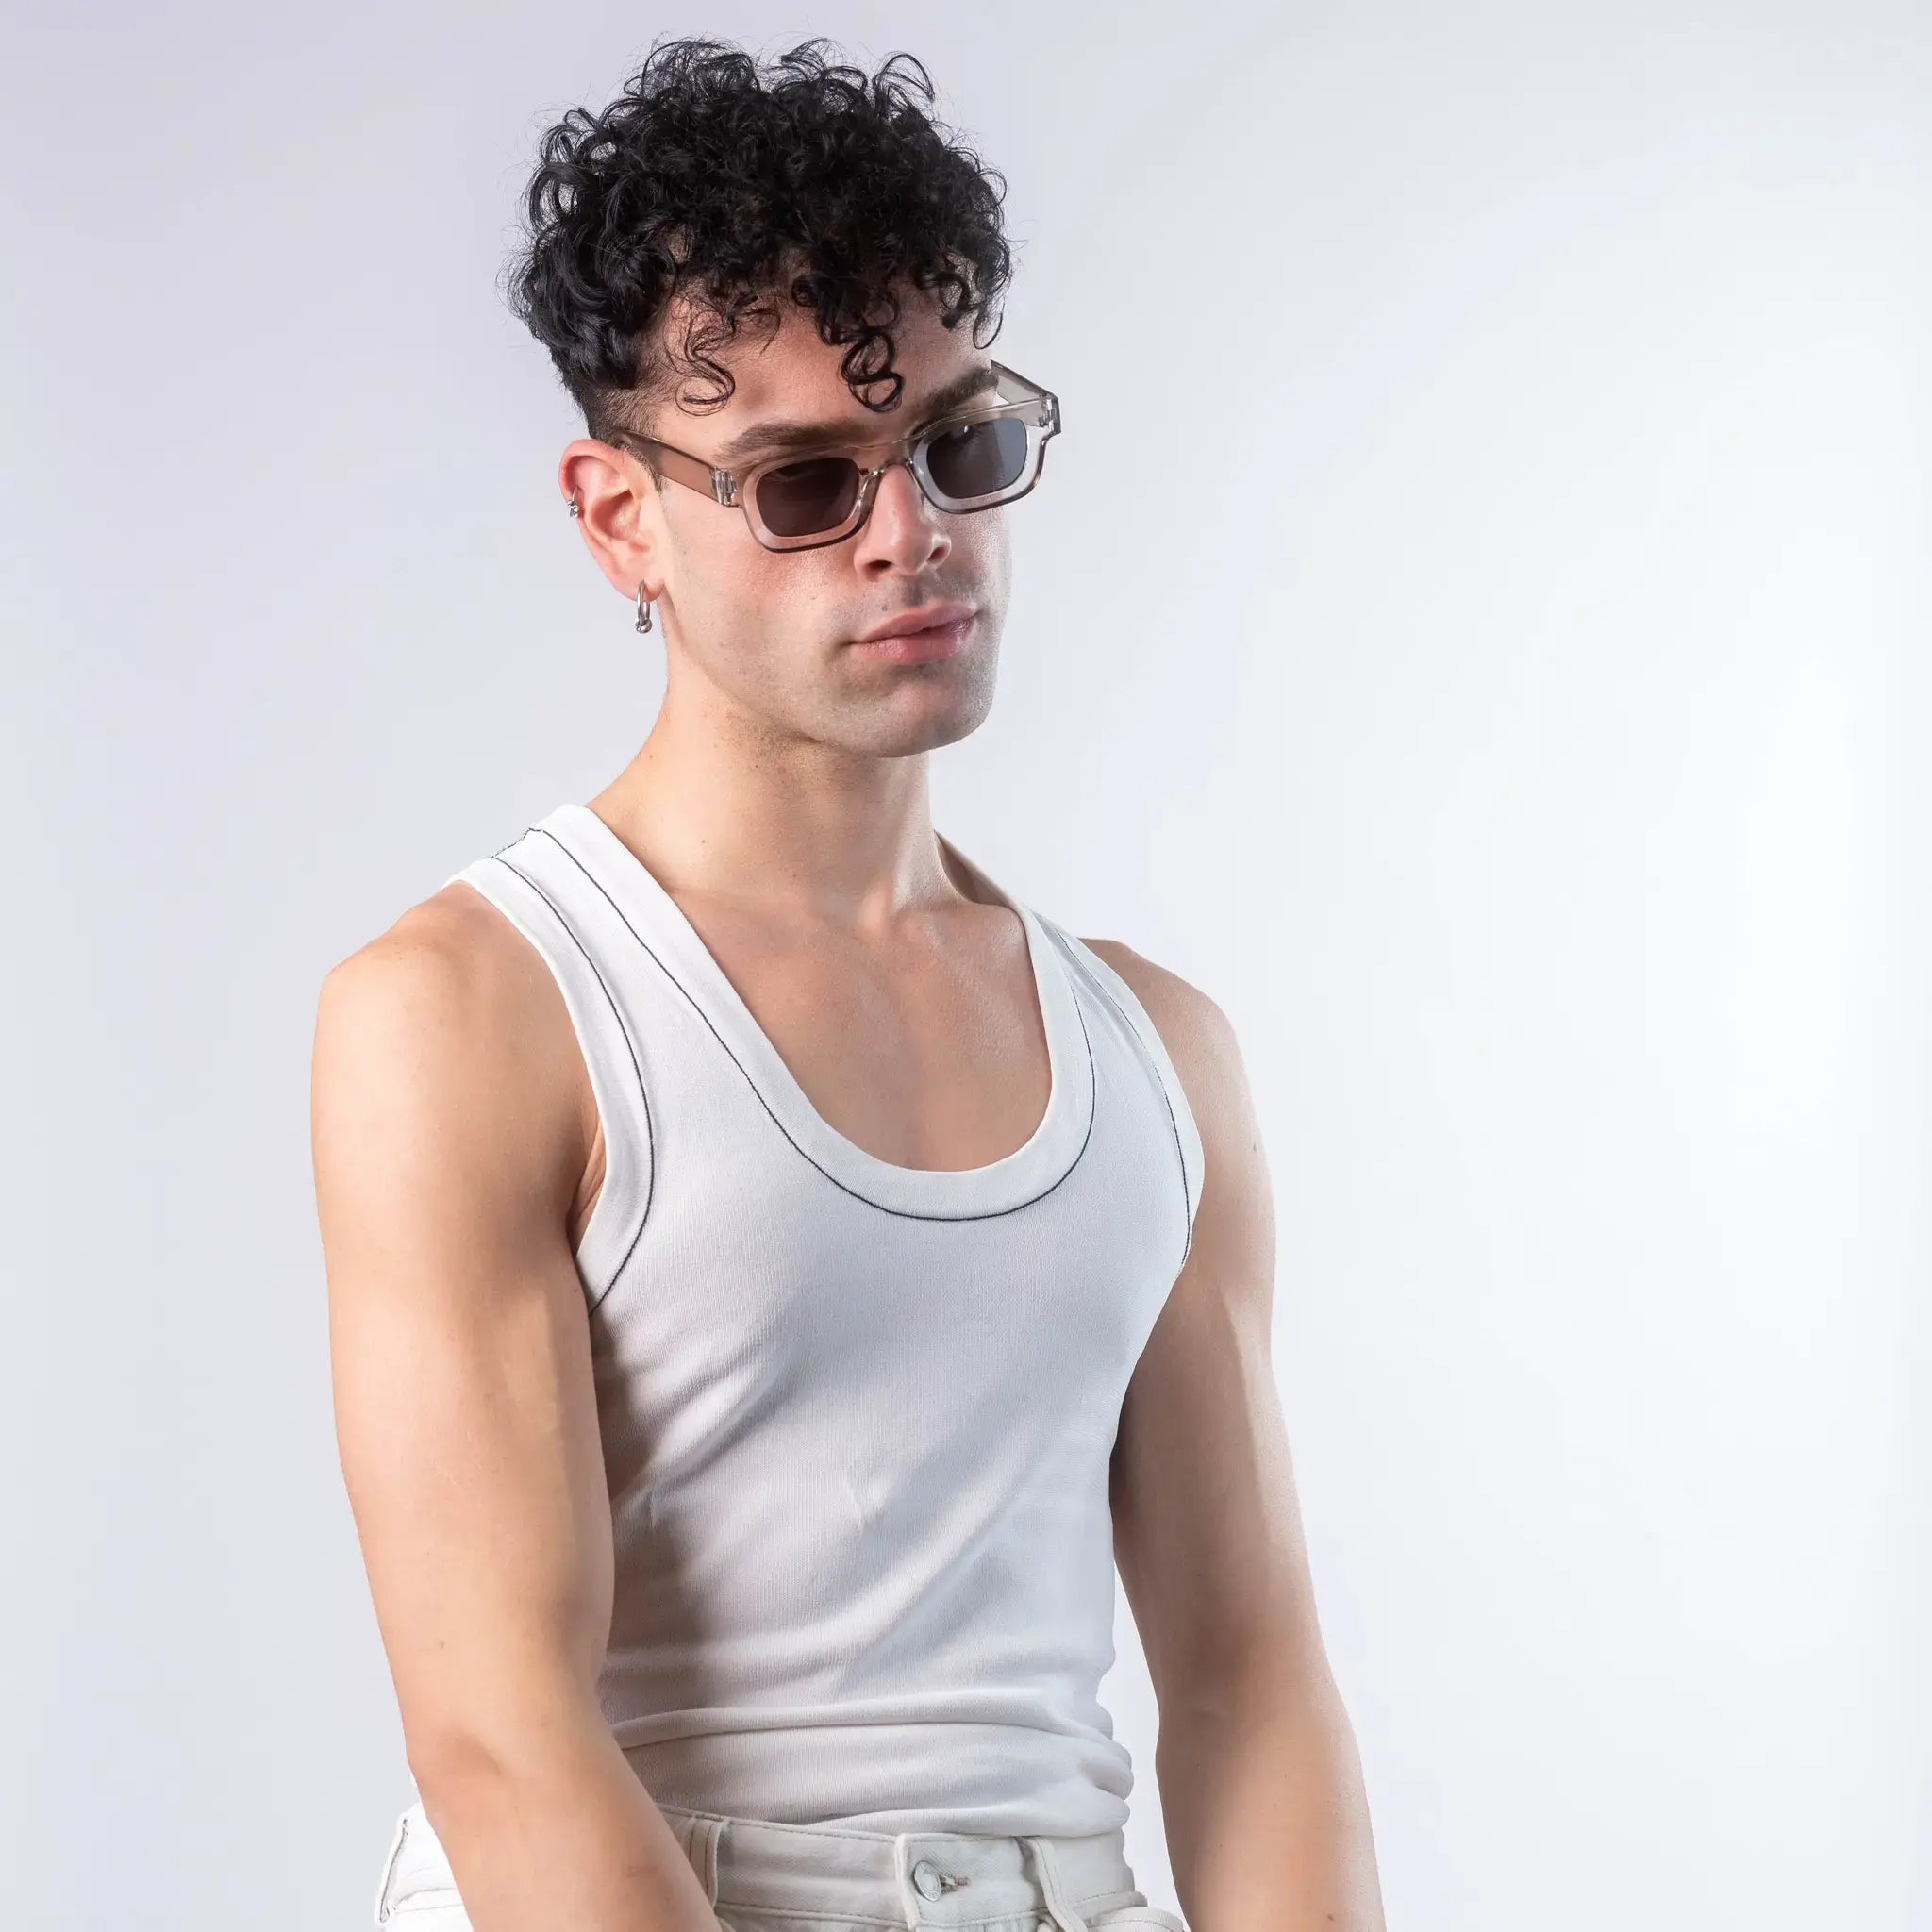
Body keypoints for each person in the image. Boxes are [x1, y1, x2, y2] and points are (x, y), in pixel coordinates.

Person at [310, 35, 1385, 1932]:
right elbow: (499, 1730)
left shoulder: (1154, 1053)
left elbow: (1248, 1684)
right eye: (803, 484)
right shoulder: (473, 1011)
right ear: (618, 514)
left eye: (958, 446)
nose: (916, 533)